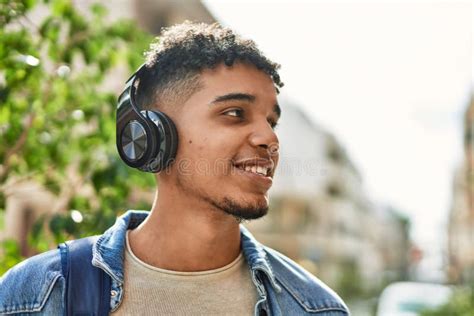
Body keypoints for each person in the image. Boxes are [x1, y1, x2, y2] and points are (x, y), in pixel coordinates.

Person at [0, 22, 349, 315]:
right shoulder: (35, 296)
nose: (269, 138)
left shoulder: (314, 308)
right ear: (151, 135)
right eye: (235, 113)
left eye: (272, 121)